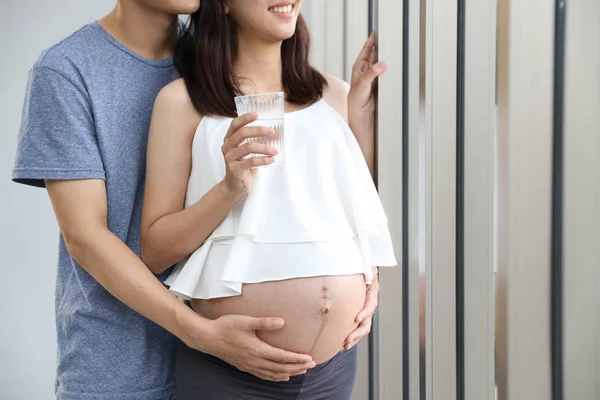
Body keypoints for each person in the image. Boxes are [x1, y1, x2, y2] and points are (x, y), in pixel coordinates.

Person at [10, 0, 352, 398]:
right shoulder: (68, 70)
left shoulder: (222, 55)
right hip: (122, 367)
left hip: (234, 364)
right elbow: (86, 237)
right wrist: (201, 334)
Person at [140, 0, 396, 398]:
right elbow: (155, 251)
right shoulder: (182, 102)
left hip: (333, 368)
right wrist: (229, 189)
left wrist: (370, 275)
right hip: (229, 373)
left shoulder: (334, 95)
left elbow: (352, 210)